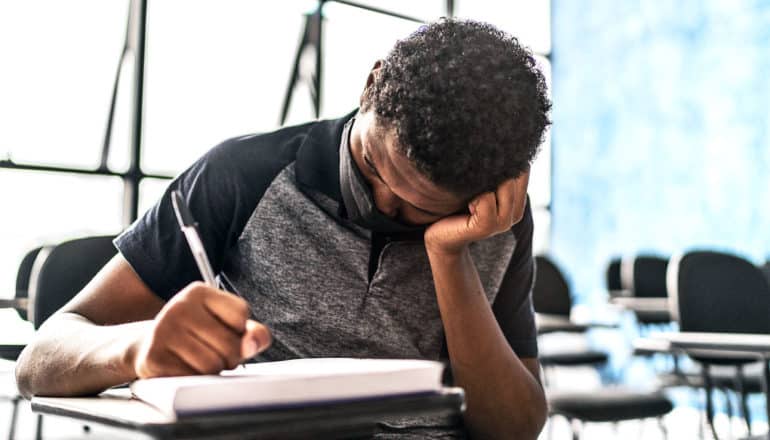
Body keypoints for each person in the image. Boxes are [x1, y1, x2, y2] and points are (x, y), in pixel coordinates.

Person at [16, 18, 551, 439]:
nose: (383, 205)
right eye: (372, 169)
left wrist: (450, 256)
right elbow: (39, 359)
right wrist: (136, 349)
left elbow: (513, 429)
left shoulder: (497, 220)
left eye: (423, 209)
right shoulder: (243, 175)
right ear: (371, 84)